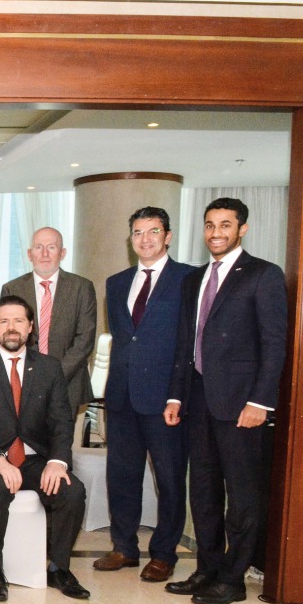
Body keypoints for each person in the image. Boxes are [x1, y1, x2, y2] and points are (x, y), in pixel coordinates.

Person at [164, 197, 287, 604]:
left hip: (241, 404)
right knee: (202, 490)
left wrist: (261, 401)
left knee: (243, 493)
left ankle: (234, 578)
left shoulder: (263, 275)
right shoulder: (193, 279)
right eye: (210, 225)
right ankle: (208, 568)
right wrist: (176, 395)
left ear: (242, 229)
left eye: (225, 225)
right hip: (198, 400)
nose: (216, 232)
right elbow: (186, 342)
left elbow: (274, 343)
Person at [0, 296, 90, 602]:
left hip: (34, 460)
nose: (11, 328)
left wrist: (57, 461)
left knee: (72, 490)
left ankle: (59, 568)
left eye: (18, 320)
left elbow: (60, 420)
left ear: (30, 327)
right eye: (4, 321)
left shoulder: (49, 367)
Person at [95, 207, 191, 582]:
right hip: (121, 396)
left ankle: (164, 553)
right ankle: (123, 547)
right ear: (130, 238)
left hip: (165, 399)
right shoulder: (116, 282)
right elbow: (123, 340)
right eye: (138, 232)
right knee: (121, 475)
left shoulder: (187, 279)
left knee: (168, 479)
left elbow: (188, 345)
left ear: (167, 236)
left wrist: (177, 396)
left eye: (153, 232)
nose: (145, 239)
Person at [0, 227, 97, 416]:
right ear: (29, 254)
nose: (44, 254)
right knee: (28, 443)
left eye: (51, 247)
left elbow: (84, 340)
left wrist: (54, 375)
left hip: (68, 382)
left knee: (60, 443)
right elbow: (7, 335)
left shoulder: (82, 287)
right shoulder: (12, 288)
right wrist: (31, 374)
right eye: (38, 247)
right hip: (23, 381)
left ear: (62, 253)